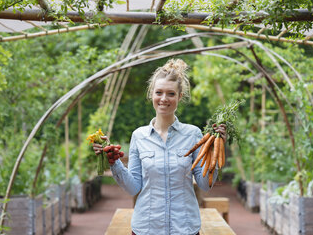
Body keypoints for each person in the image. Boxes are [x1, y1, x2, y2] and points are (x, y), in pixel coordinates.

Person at [93, 58, 226, 235]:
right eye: (159, 92)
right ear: (151, 94)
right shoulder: (139, 136)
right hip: (147, 228)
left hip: (184, 228)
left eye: (171, 94)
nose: (164, 99)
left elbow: (204, 185)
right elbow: (133, 187)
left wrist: (215, 152)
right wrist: (113, 162)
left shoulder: (193, 134)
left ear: (180, 97)